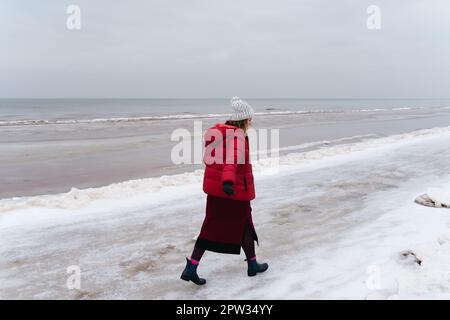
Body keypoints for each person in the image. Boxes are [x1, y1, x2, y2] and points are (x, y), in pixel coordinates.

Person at [180, 97, 268, 285]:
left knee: (216, 226)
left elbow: (211, 159)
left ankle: (193, 267)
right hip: (232, 191)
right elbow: (232, 160)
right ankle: (250, 264)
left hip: (217, 192)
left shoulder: (220, 134)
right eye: (250, 119)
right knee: (241, 224)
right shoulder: (237, 136)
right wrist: (228, 181)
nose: (251, 122)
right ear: (243, 119)